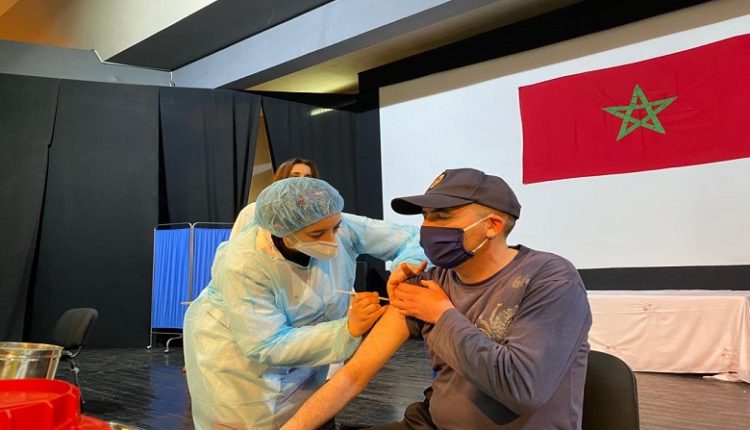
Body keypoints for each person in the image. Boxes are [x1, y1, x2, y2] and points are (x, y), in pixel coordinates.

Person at [282, 168, 592, 430]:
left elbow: (522, 387)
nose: (427, 228)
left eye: (442, 216)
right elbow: (353, 375)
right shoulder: (432, 282)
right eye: (426, 217)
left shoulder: (549, 279)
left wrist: (442, 314)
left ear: (492, 225)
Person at [183, 177, 426, 429]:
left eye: (336, 228)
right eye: (317, 234)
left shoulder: (329, 220)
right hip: (239, 362)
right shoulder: (242, 263)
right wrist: (347, 329)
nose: (333, 241)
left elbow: (411, 239)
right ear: (283, 231)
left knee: (308, 415)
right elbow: (266, 344)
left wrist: (405, 268)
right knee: (249, 420)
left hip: (307, 349)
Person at [230, 157, 319, 239]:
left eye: (308, 177)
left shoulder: (317, 214)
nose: (302, 181)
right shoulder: (253, 210)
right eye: (295, 176)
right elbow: (234, 245)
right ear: (282, 179)